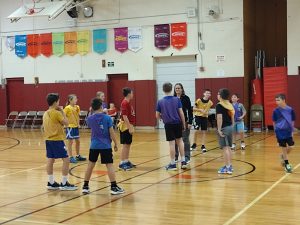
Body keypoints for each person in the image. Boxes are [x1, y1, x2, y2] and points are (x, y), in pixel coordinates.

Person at [82, 98, 124, 195]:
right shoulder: (107, 118)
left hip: (94, 145)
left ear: (92, 108)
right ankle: (113, 187)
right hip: (105, 145)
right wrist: (116, 143)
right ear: (101, 106)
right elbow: (111, 132)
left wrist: (91, 111)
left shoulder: (90, 119)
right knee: (109, 165)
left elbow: (91, 122)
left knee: (90, 165)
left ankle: (85, 186)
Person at [43, 93, 78, 191]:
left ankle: (51, 182)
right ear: (55, 102)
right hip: (57, 140)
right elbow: (67, 123)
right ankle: (64, 183)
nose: (59, 103)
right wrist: (62, 111)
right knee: (66, 160)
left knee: (50, 159)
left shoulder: (46, 113)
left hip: (48, 140)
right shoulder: (57, 113)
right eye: (58, 101)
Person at [156, 82, 187, 170]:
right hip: (178, 123)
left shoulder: (160, 101)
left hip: (168, 124)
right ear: (171, 89)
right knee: (180, 141)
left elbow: (157, 115)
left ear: (163, 90)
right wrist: (183, 124)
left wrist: (162, 118)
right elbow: (181, 113)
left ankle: (173, 163)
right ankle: (183, 161)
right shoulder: (177, 99)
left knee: (171, 144)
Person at [272, 93, 296, 173]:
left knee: (291, 146)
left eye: (278, 100)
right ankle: (287, 165)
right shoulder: (275, 111)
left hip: (288, 131)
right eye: (276, 100)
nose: (276, 101)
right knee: (284, 148)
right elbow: (274, 122)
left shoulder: (290, 109)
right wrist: (275, 132)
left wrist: (292, 131)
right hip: (279, 131)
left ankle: (282, 156)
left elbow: (292, 121)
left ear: (283, 100)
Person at [216, 88, 235, 174]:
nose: (217, 95)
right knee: (229, 147)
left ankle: (227, 168)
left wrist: (219, 129)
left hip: (224, 128)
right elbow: (232, 116)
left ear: (221, 96)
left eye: (218, 94)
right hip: (230, 127)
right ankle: (229, 165)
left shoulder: (219, 105)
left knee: (225, 148)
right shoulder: (230, 104)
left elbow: (219, 117)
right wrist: (233, 125)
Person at [173, 83, 193, 164]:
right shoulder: (172, 98)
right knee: (175, 140)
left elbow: (190, 111)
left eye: (179, 88)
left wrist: (190, 122)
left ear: (182, 89)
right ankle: (175, 156)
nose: (177, 90)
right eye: (176, 88)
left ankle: (187, 157)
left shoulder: (186, 98)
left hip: (184, 121)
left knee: (185, 140)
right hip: (174, 122)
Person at [64, 94, 86, 163]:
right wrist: (65, 124)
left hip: (76, 126)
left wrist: (78, 124)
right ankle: (70, 157)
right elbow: (63, 116)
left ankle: (77, 155)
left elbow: (77, 116)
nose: (76, 100)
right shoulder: (67, 108)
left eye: (76, 99)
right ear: (70, 100)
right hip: (70, 127)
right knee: (70, 142)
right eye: (75, 99)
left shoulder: (77, 107)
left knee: (78, 141)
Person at [118, 87, 136, 171]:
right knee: (125, 145)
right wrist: (129, 127)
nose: (133, 94)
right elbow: (124, 116)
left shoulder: (128, 102)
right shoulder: (124, 103)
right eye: (132, 93)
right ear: (129, 94)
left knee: (128, 144)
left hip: (129, 125)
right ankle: (122, 163)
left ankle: (126, 160)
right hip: (125, 126)